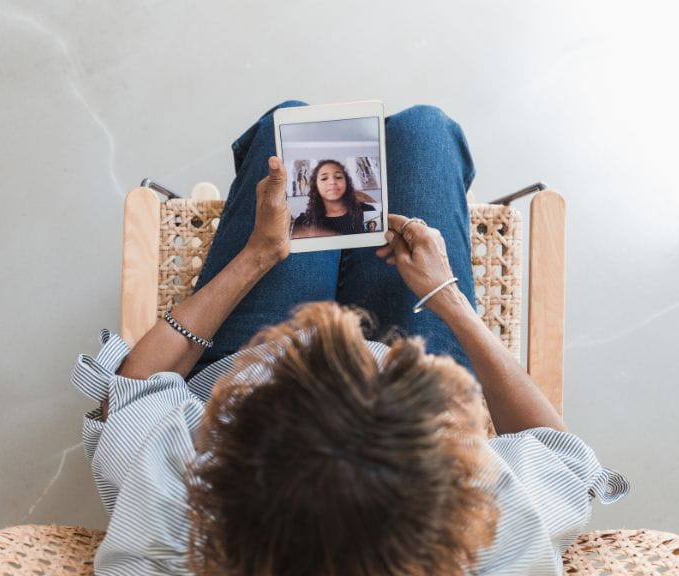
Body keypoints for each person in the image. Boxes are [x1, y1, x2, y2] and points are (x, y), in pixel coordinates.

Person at [73, 101, 628, 576]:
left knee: (289, 125)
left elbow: (134, 390)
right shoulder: (489, 531)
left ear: (223, 461)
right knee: (424, 130)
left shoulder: (176, 508)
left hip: (251, 357)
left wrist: (256, 257)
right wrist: (448, 299)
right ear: (452, 489)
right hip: (396, 347)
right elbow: (565, 459)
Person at [291, 159, 377, 237]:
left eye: (338, 177)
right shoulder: (302, 222)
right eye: (324, 178)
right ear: (316, 186)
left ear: (346, 183)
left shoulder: (368, 211)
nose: (332, 182)